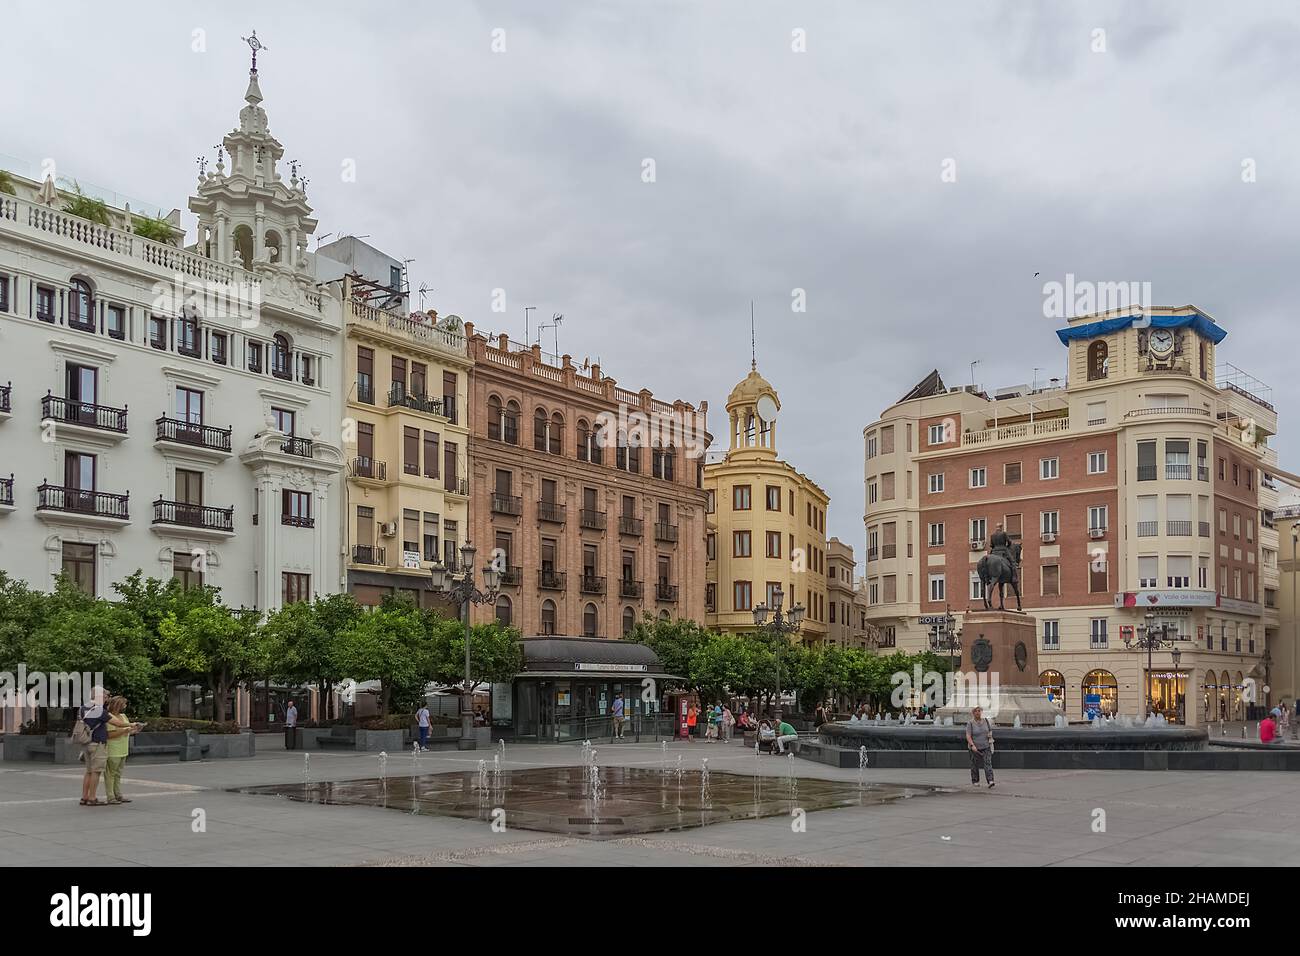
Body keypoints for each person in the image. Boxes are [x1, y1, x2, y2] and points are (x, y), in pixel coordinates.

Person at [104, 696, 141, 805]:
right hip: (113, 748)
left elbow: (127, 731)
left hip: (123, 748)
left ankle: (118, 794)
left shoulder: (123, 716)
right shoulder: (108, 717)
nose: (125, 706)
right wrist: (125, 730)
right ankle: (110, 796)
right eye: (124, 704)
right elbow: (110, 735)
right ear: (118, 705)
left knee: (118, 773)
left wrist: (134, 730)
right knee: (110, 773)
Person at [78, 686, 110, 807]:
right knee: (96, 772)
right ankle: (92, 798)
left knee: (89, 771)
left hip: (86, 742)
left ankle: (84, 797)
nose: (106, 698)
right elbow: (114, 721)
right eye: (104, 696)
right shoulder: (99, 710)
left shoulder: (83, 708)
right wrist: (130, 724)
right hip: (97, 743)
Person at [965, 705, 995, 788]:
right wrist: (972, 745)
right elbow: (968, 735)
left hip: (986, 746)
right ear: (973, 713)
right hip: (974, 747)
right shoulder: (970, 723)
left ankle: (990, 781)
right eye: (975, 711)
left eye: (979, 711)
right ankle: (975, 780)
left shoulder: (986, 721)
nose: (977, 712)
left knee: (988, 763)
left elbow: (989, 730)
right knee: (974, 764)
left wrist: (989, 735)